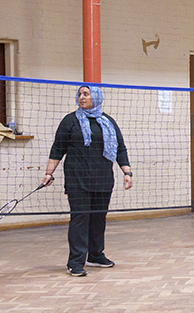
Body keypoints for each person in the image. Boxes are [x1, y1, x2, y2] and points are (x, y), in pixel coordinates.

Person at [43, 86, 131, 276]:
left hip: (103, 178)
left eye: (86, 94)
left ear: (97, 97)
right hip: (77, 180)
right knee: (80, 219)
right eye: (80, 94)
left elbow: (120, 149)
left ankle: (96, 255)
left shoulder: (108, 122)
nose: (81, 97)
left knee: (98, 219)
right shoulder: (70, 121)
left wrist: (127, 172)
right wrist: (49, 173)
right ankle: (75, 262)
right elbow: (58, 148)